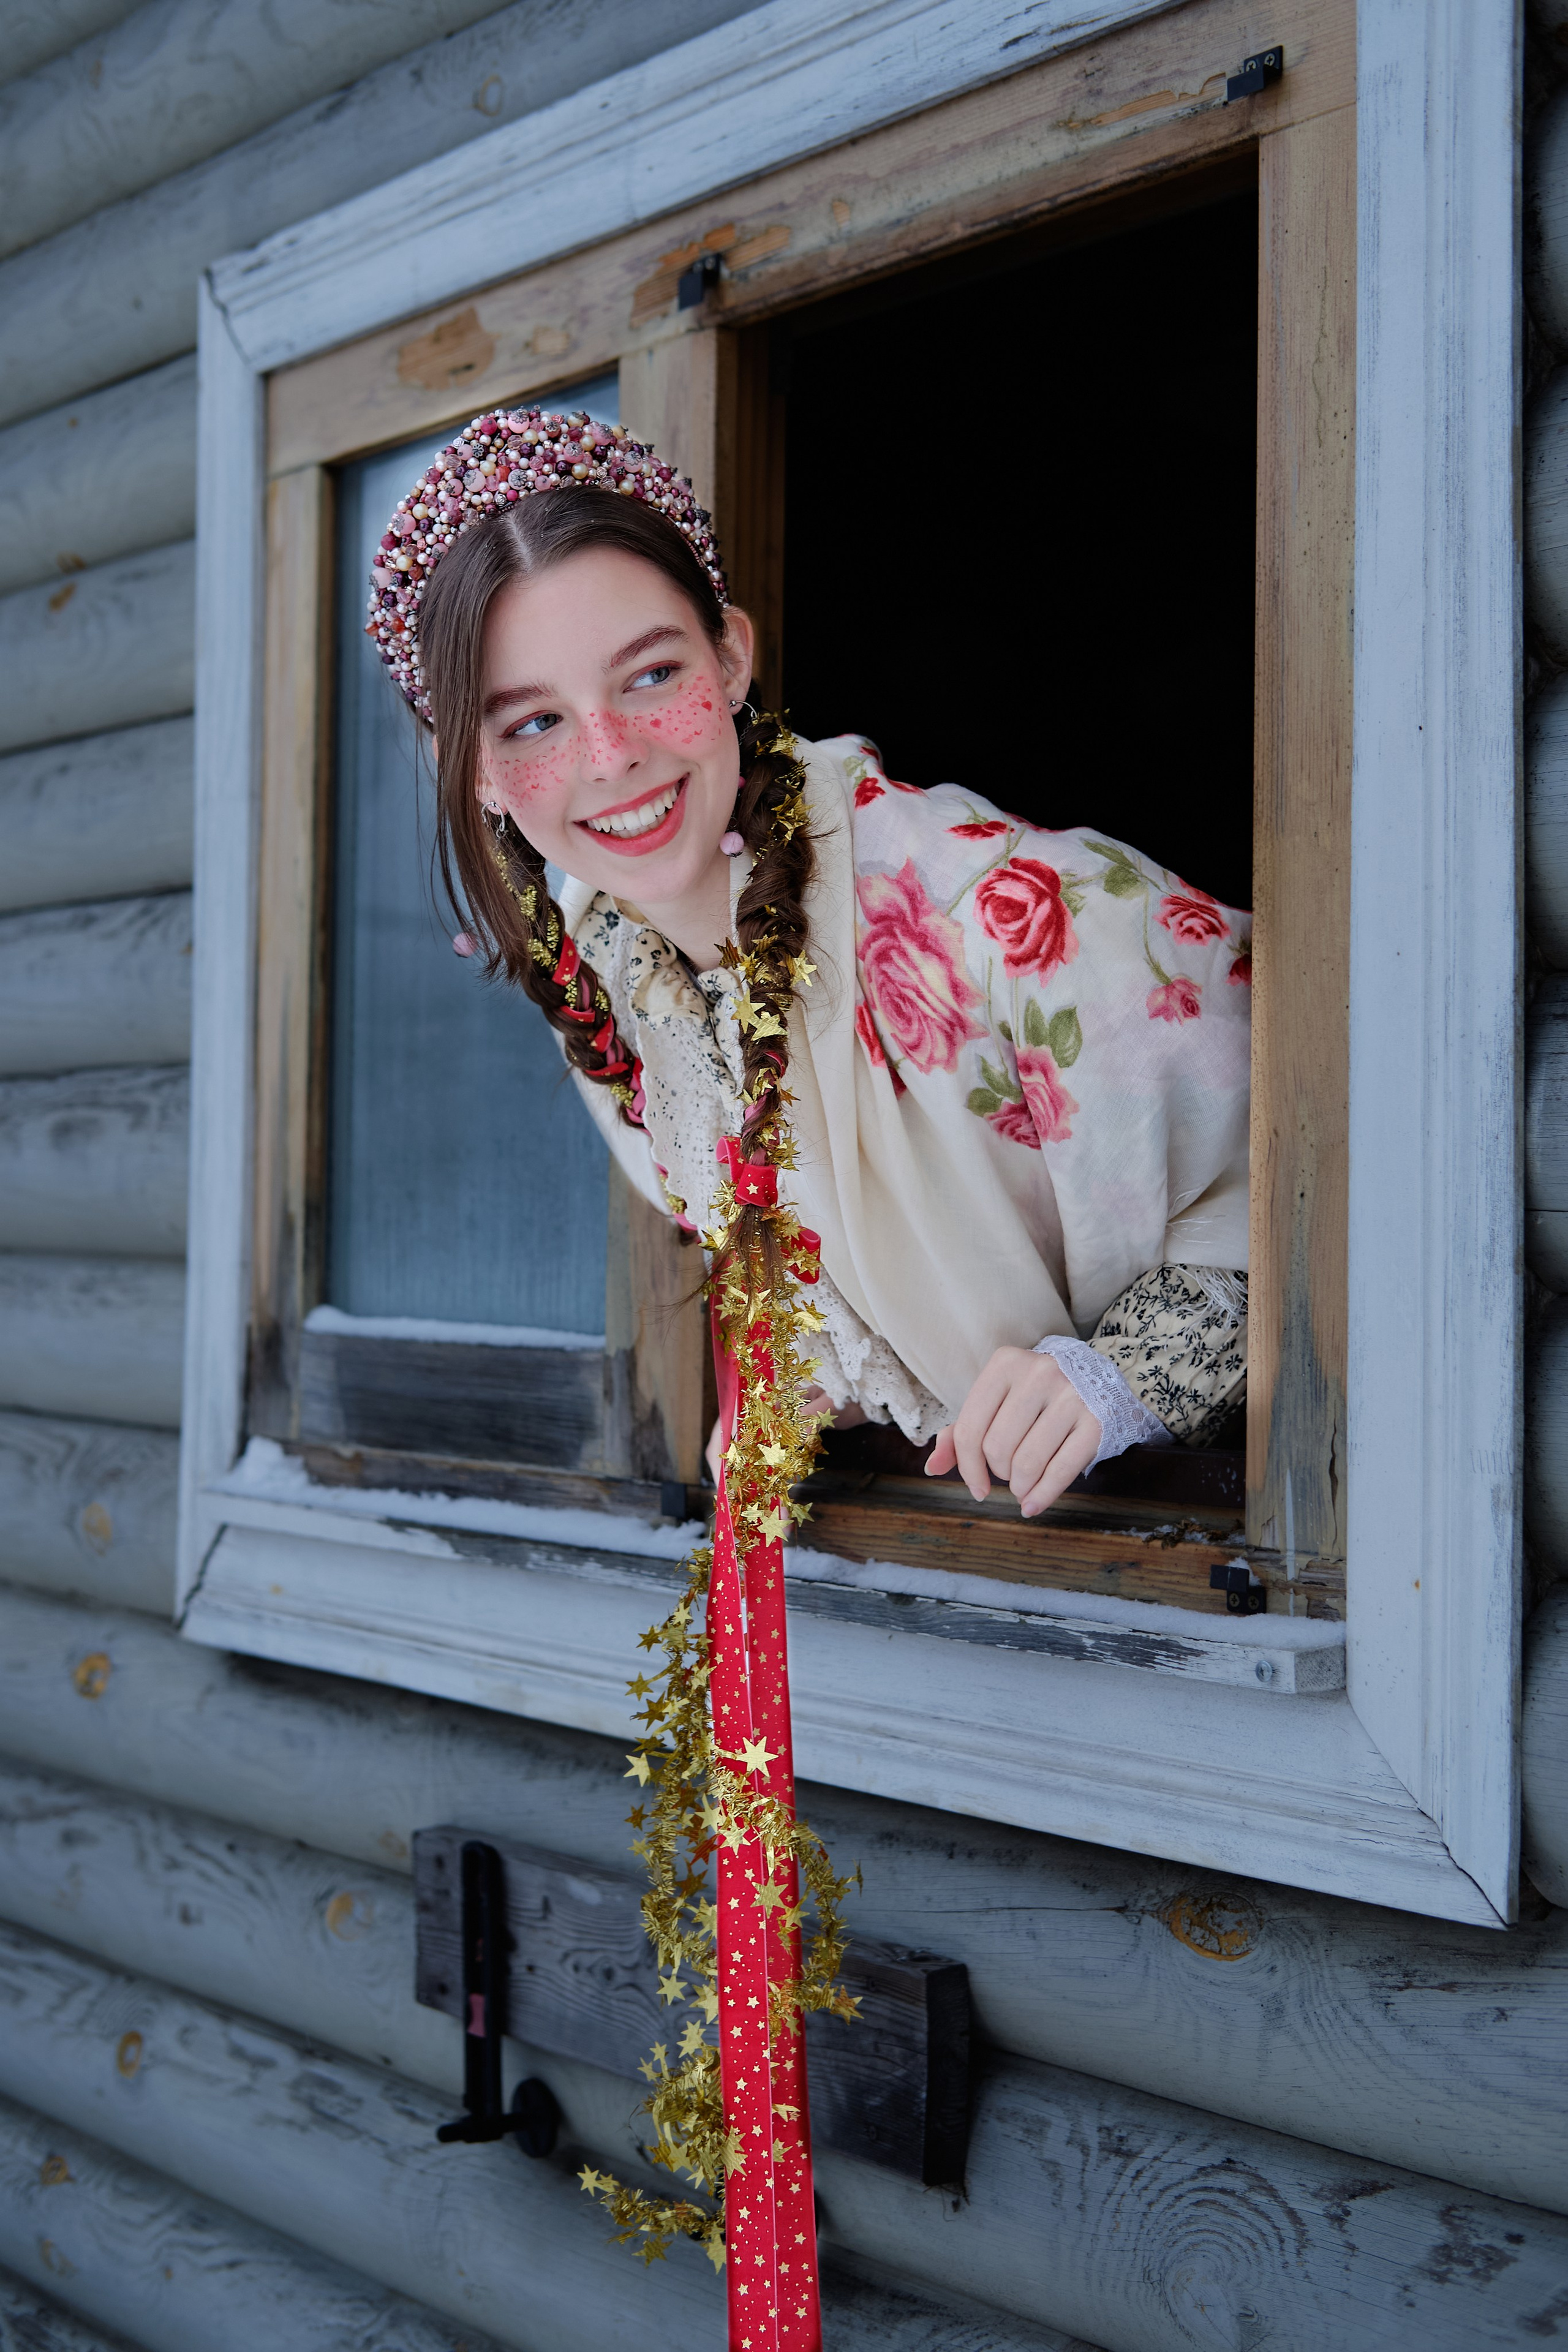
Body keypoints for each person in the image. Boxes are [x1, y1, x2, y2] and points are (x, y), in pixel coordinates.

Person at [371, 405, 1251, 1525]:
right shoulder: (606, 979)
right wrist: (805, 1375)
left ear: (730, 654)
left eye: (649, 676)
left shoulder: (1015, 913)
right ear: (473, 771)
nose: (612, 756)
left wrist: (1123, 1374)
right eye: (533, 724)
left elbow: (1326, 1160)